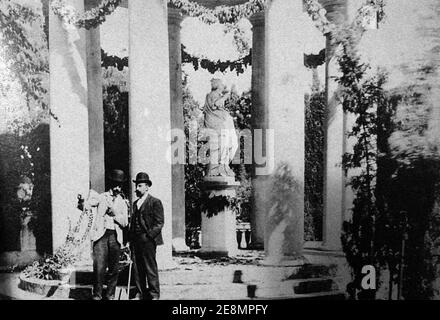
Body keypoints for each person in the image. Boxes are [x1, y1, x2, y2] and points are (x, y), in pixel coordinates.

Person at [90, 169, 129, 300]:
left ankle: (110, 295)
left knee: (114, 268)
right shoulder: (102, 197)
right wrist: (81, 201)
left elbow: (125, 222)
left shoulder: (123, 202)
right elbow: (87, 205)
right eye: (116, 184)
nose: (118, 188)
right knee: (99, 267)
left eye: (120, 185)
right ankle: (97, 295)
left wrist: (115, 214)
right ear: (111, 184)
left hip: (115, 236)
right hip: (101, 235)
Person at [130, 172, 164, 300]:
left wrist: (149, 236)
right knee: (137, 268)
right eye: (136, 186)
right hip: (136, 240)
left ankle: (154, 294)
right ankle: (140, 292)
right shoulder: (135, 204)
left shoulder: (155, 202)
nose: (136, 189)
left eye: (139, 186)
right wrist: (130, 239)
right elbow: (133, 223)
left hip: (148, 240)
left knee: (150, 267)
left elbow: (159, 223)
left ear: (147, 187)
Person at [202, 78, 239, 177]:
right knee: (225, 144)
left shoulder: (217, 95)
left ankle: (224, 165)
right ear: (218, 86)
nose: (224, 86)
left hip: (222, 125)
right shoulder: (213, 94)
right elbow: (217, 104)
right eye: (222, 84)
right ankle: (221, 167)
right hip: (217, 127)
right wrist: (225, 97)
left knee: (233, 144)